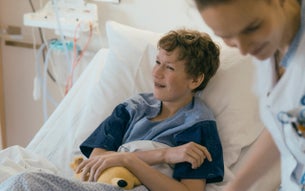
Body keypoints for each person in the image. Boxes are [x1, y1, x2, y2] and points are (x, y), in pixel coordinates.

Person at [0, 28, 224, 191]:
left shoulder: (197, 125)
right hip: (98, 184)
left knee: (25, 183)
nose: (156, 73)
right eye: (157, 62)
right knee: (18, 181)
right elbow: (98, 157)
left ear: (195, 79)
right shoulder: (133, 107)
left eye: (170, 67)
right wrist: (162, 154)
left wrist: (131, 161)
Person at [193, 0, 305, 191]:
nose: (243, 49)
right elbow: (285, 124)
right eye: (226, 36)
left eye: (252, 28)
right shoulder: (269, 45)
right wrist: (236, 186)